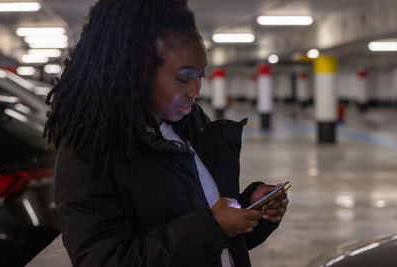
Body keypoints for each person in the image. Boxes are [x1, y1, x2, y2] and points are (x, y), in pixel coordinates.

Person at [43, 0, 289, 266]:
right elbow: (106, 260)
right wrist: (213, 227)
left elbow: (214, 239)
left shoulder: (188, 126)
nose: (196, 91)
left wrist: (248, 211)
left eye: (200, 76)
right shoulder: (90, 152)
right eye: (183, 78)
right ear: (135, 71)